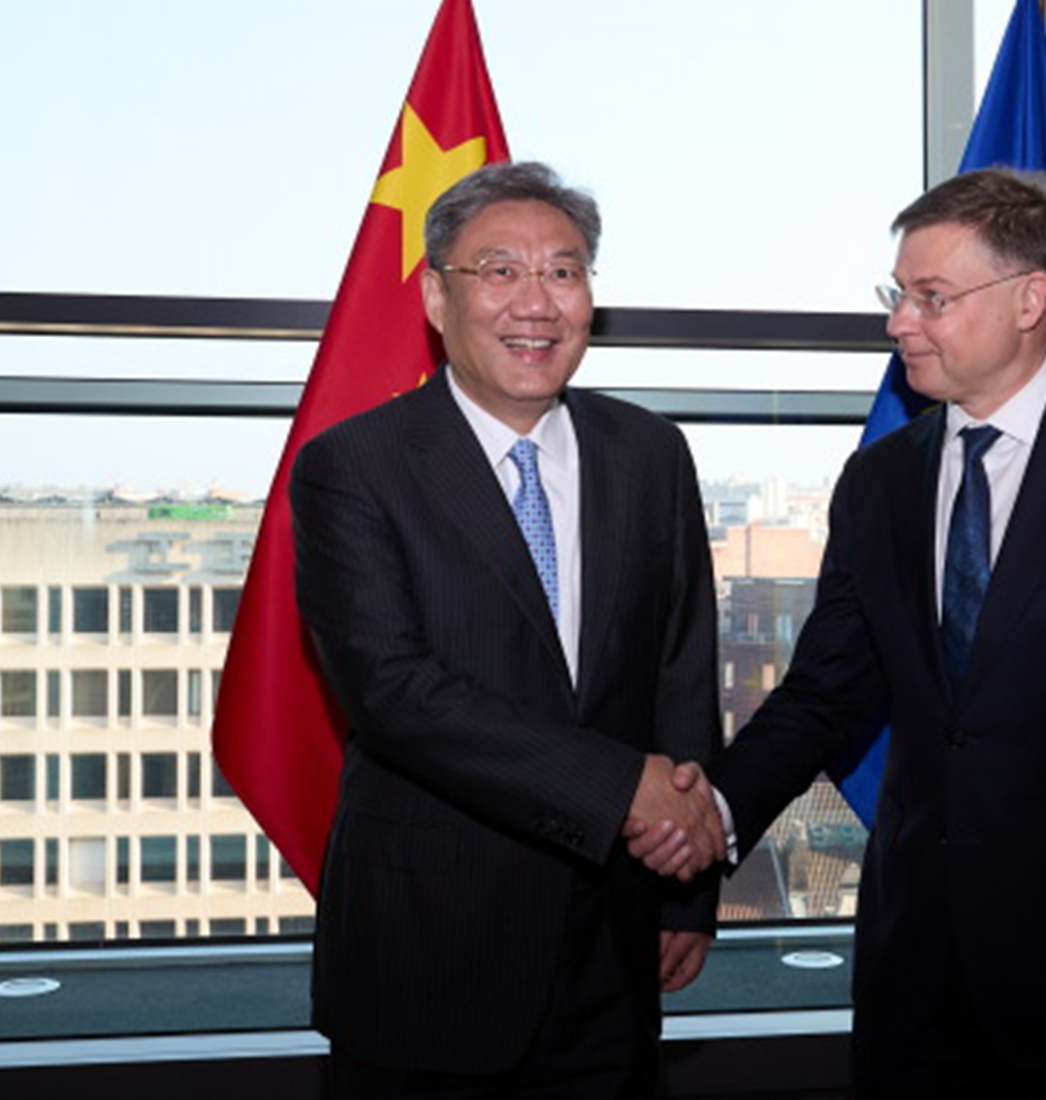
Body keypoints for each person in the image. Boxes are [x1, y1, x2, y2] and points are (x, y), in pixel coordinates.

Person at [635, 167, 1046, 1098]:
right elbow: (829, 691)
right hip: (913, 972)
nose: (899, 323)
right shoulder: (879, 481)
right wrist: (712, 814)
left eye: (931, 297)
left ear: (1029, 299)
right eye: (898, 295)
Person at [294, 160, 724, 1098]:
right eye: (499, 271)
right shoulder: (353, 467)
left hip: (616, 948)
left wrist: (686, 881)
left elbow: (682, 668)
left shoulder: (651, 453)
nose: (536, 302)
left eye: (563, 272)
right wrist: (624, 792)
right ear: (436, 298)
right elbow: (394, 694)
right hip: (431, 950)